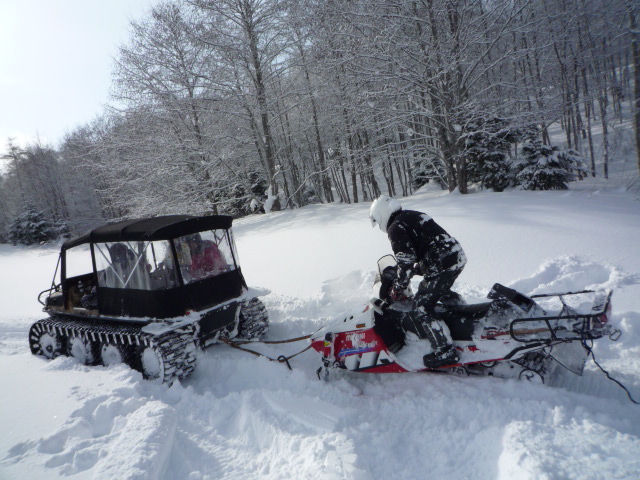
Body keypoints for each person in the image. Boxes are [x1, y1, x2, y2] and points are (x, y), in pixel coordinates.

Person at [369, 194, 466, 368]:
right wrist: (417, 269)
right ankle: (465, 322)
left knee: (422, 305)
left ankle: (445, 350)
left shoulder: (395, 227)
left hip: (442, 261)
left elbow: (405, 260)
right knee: (441, 292)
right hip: (455, 255)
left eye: (377, 220)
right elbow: (429, 244)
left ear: (381, 214)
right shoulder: (411, 215)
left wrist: (398, 287)